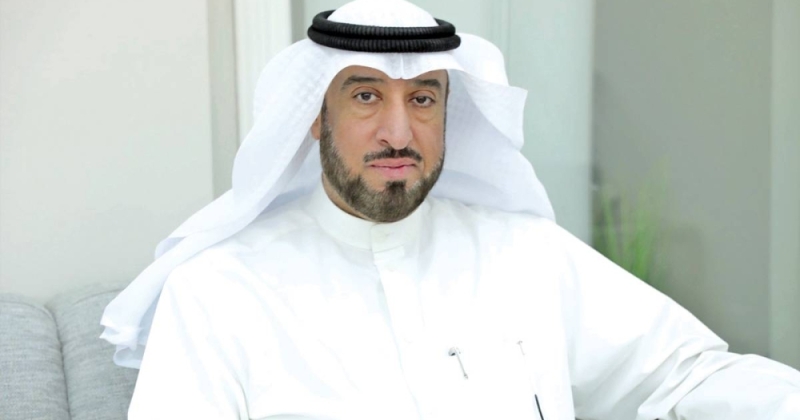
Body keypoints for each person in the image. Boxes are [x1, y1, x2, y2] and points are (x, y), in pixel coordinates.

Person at [101, 1, 800, 418]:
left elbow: (686, 376)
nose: (399, 132)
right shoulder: (221, 293)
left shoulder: (525, 255)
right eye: (366, 96)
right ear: (315, 116)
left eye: (423, 99)